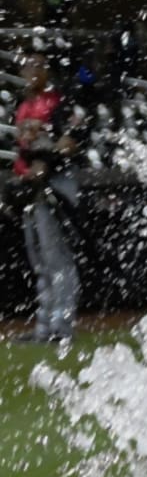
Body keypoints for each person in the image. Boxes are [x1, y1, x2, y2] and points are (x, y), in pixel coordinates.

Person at [6, 52, 85, 343]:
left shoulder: (58, 102)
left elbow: (71, 143)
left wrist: (46, 159)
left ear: (48, 71)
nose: (31, 71)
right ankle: (43, 327)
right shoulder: (24, 105)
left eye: (38, 65)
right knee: (39, 261)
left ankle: (61, 327)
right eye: (27, 66)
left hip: (54, 184)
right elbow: (23, 147)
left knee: (57, 258)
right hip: (30, 188)